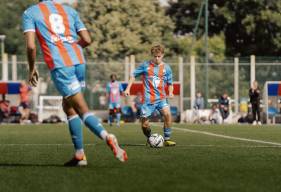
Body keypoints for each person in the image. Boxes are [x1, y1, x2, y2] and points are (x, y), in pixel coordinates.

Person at [22, 0, 127, 166]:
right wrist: (70, 48)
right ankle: (79, 155)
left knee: (81, 109)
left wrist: (32, 68)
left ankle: (108, 136)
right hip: (79, 61)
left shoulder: (31, 12)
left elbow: (30, 46)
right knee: (68, 106)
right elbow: (87, 39)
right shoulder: (68, 10)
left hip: (61, 65)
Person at [124, 45, 176, 146]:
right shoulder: (145, 66)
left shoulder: (167, 68)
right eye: (155, 56)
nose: (157, 58)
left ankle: (167, 139)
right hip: (148, 100)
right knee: (144, 124)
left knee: (168, 115)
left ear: (163, 55)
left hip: (161, 98)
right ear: (152, 55)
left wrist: (170, 92)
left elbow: (170, 84)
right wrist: (127, 88)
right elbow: (133, 75)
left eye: (159, 56)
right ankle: (150, 138)